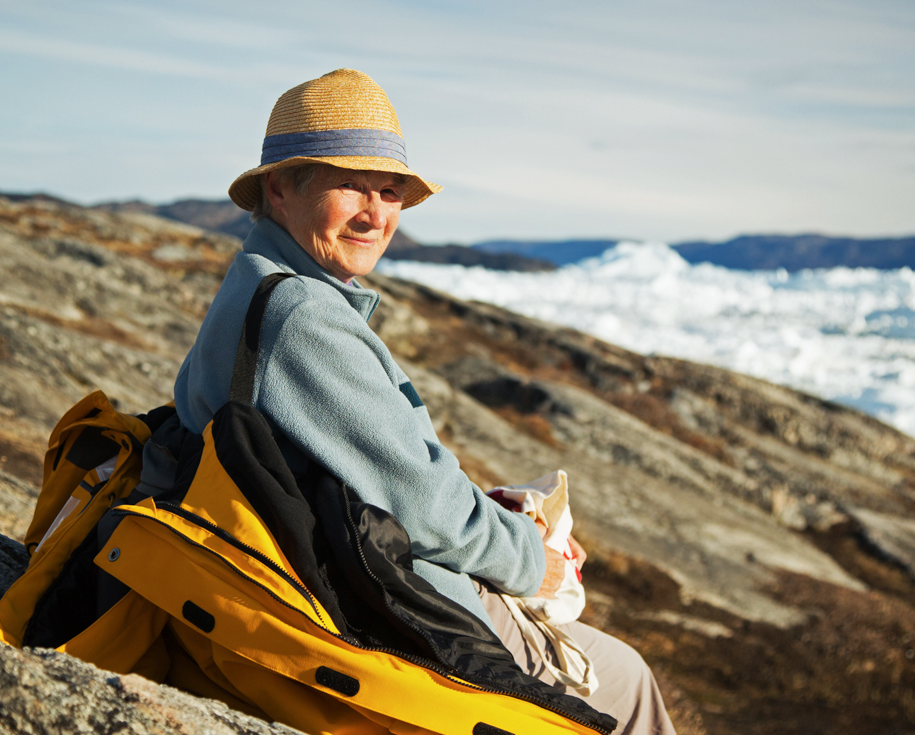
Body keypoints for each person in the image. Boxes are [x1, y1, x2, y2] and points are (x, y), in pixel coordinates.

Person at [173, 68, 676, 735]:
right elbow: (430, 512)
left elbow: (378, 478)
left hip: (337, 572)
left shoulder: (264, 283)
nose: (375, 213)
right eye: (350, 183)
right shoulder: (303, 315)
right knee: (629, 680)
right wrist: (534, 560)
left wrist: (491, 516)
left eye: (390, 190)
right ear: (279, 187)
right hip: (384, 606)